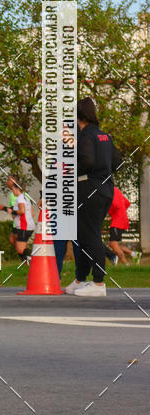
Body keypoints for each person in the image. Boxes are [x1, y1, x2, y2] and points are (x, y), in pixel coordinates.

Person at [64, 97, 122, 297]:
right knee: (83, 235)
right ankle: (81, 278)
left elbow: (87, 161)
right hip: (106, 189)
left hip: (90, 189)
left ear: (78, 116)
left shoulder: (86, 135)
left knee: (89, 235)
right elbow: (117, 161)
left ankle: (98, 283)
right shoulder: (104, 135)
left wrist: (72, 169)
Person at [0, 174, 35, 263]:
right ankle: (27, 261)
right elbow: (29, 212)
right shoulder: (23, 197)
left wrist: (12, 212)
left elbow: (22, 211)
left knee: (20, 249)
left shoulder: (20, 198)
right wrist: (6, 209)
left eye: (9, 180)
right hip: (24, 225)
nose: (13, 191)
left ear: (17, 188)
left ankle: (33, 260)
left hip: (24, 226)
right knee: (18, 246)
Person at [106, 186, 137, 265]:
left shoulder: (110, 190)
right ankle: (133, 254)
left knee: (113, 244)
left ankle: (125, 263)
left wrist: (113, 214)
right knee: (113, 244)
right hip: (122, 220)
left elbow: (116, 205)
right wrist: (120, 213)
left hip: (117, 222)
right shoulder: (116, 190)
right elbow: (127, 203)